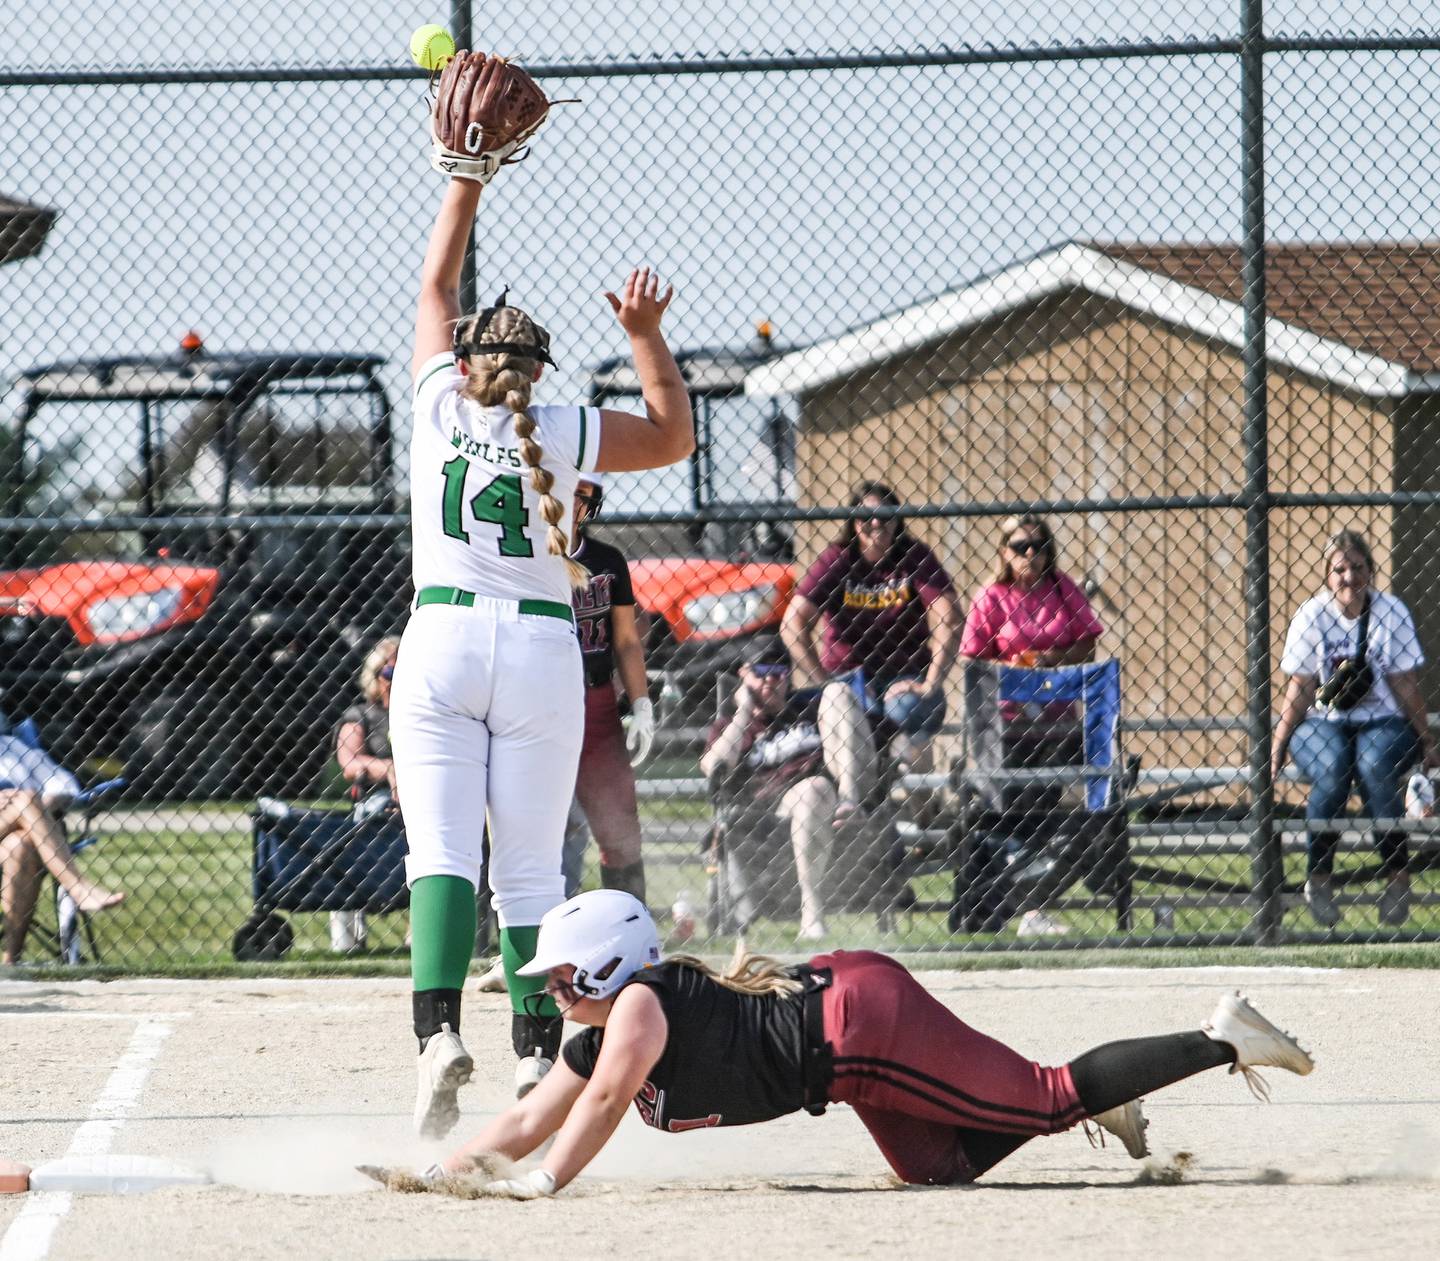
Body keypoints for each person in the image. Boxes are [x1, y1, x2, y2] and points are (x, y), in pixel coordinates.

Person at [360, 889, 1313, 1198]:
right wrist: (448, 1166)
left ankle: (1218, 1038)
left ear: (611, 966)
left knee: (1046, 1092)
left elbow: (602, 1109)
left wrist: (538, 1186)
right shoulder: (613, 1019)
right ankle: (1108, 1100)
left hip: (863, 1025)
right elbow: (532, 1111)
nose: (554, 991)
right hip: (847, 1053)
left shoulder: (641, 1008)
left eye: (566, 976)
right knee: (941, 1171)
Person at [393, 165, 692, 1140]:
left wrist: (466, 177)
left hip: (440, 633)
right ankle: (535, 1051)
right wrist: (644, 335)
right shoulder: (560, 430)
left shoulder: (439, 408)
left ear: (467, 361)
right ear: (539, 371)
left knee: (441, 850)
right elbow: (674, 435)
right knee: (529, 871)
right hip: (539, 650)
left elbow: (435, 289)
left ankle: (437, 1034)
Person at [1272, 529, 1437, 928]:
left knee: (1374, 765)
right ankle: (1319, 877)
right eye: (1339, 569)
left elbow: (1403, 683)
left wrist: (1428, 738)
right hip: (1321, 722)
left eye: (1357, 567)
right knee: (1333, 768)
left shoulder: (1390, 611)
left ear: (1371, 570)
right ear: (1328, 576)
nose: (1349, 577)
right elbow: (1300, 686)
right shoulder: (1311, 615)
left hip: (1383, 720)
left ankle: (1398, 877)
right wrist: (1277, 745)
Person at [959, 513, 1105, 939]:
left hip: (1057, 719)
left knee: (1046, 802)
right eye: (1019, 546)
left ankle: (1032, 906)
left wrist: (1051, 660)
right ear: (1004, 552)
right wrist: (1012, 668)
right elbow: (973, 657)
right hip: (1006, 721)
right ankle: (1004, 902)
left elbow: (1088, 641)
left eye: (1037, 546)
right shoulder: (992, 595)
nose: (1029, 554)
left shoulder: (1062, 588)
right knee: (1010, 808)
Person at [700, 639, 880, 941]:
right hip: (771, 812)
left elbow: (883, 738)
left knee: (836, 692)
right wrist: (744, 711)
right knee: (813, 791)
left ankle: (849, 800)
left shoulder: (814, 708)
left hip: (837, 793)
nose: (770, 679)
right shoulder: (731, 725)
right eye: (761, 671)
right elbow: (713, 766)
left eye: (778, 672)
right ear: (744, 674)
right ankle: (812, 913)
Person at [781, 481, 961, 770]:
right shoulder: (839, 559)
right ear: (854, 522)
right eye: (866, 516)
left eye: (886, 514)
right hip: (849, 679)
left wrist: (930, 683)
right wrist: (824, 683)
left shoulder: (914, 556)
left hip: (906, 674)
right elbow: (793, 623)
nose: (876, 522)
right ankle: (868, 804)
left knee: (907, 710)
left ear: (898, 519)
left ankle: (920, 809)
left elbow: (949, 617)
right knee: (850, 717)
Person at [558, 473, 654, 903]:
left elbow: (627, 640)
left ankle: (629, 925)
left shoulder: (607, 560)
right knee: (529, 825)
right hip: (537, 701)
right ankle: (508, 940)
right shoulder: (523, 556)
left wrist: (640, 703)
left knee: (619, 826)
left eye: (585, 496)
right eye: (569, 491)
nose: (575, 503)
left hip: (594, 699)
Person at [0, 722, 124, 965]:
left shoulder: (12, 747)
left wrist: (34, 812)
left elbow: (64, 785)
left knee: (22, 844)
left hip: (14, 837)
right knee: (24, 798)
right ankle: (78, 888)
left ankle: (10, 962)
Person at [330, 635, 401, 953]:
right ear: (374, 677)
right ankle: (348, 942)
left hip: (418, 803)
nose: (395, 681)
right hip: (376, 805)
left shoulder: (425, 714)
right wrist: (389, 769)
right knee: (346, 843)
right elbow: (350, 762)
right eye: (388, 674)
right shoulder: (360, 715)